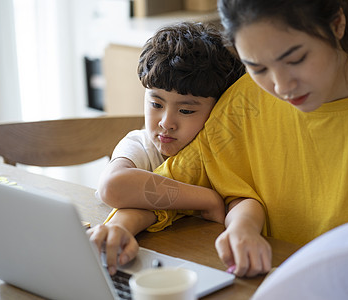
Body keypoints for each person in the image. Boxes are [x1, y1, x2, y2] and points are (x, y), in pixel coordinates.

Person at [98, 0, 348, 278]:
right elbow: (172, 186)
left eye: (295, 59)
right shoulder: (247, 99)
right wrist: (122, 227)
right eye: (258, 67)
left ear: (337, 24)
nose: (281, 86)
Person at [88, 21, 245, 276]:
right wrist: (207, 198)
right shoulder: (141, 145)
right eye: (156, 103)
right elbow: (112, 186)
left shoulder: (224, 154)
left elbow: (244, 201)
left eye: (185, 110)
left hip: (213, 265)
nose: (166, 123)